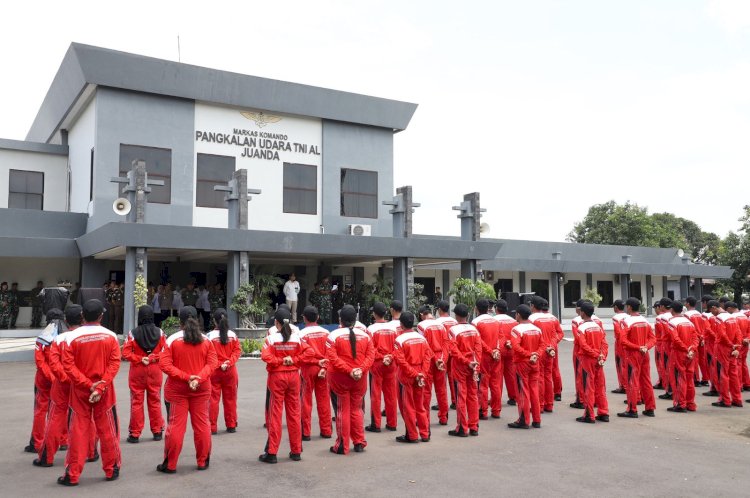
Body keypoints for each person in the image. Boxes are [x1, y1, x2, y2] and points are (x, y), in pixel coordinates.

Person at [58, 299, 121, 486]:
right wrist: (100, 386)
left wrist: (87, 385)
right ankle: (112, 469)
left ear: (82, 316)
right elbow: (115, 363)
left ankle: (72, 474)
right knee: (107, 429)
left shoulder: (71, 337)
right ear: (101, 316)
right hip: (105, 390)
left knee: (78, 430)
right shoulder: (110, 336)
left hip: (80, 391)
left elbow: (68, 367)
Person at [35, 305, 99, 467]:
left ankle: (47, 457)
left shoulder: (59, 339)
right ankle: (91, 452)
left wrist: (65, 379)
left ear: (65, 320)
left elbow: (54, 364)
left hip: (63, 384)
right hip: (84, 383)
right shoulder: (90, 336)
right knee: (86, 417)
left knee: (56, 417)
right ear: (83, 318)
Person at [158, 306, 218, 474]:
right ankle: (202, 461)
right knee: (202, 425)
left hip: (178, 390)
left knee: (176, 426)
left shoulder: (172, 340)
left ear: (180, 321)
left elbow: (164, 364)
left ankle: (170, 464)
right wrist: (198, 378)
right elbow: (212, 364)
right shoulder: (206, 340)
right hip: (201, 388)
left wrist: (186, 377)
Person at [258, 308, 311, 463]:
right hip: (294, 377)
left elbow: (265, 356)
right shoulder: (297, 338)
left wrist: (281, 361)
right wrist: (293, 360)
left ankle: (272, 452)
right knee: (294, 414)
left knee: (275, 414)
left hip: (277, 377)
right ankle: (296, 451)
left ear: (276, 323)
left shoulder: (272, 338)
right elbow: (309, 353)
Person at [327, 305, 375, 455]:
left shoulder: (333, 335)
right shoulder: (366, 336)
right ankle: (359, 442)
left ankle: (342, 445)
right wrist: (359, 369)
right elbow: (370, 356)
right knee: (356, 410)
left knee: (342, 411)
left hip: (340, 378)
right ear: (355, 320)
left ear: (340, 320)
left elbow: (332, 358)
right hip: (359, 379)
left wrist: (349, 370)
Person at [122, 305, 166, 443]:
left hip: (138, 370)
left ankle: (135, 434)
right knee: (155, 400)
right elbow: (165, 352)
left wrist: (140, 359)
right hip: (154, 369)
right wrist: (152, 358)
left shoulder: (132, 333)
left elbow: (125, 353)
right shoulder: (160, 332)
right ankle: (157, 431)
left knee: (136, 402)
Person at [26, 308, 66, 454]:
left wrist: (50, 376)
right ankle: (63, 440)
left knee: (41, 410)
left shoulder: (42, 337)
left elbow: (39, 361)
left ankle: (37, 442)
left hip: (44, 380)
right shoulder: (66, 336)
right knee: (62, 410)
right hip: (63, 379)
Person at [392, 311, 433, 443]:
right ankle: (425, 433)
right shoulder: (422, 338)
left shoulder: (399, 340)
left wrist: (415, 374)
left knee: (408, 406)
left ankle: (412, 435)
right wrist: (422, 374)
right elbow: (428, 357)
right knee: (420, 405)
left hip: (407, 376)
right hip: (420, 373)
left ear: (401, 324)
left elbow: (401, 362)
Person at [446, 303, 482, 437]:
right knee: (473, 396)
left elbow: (454, 351)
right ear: (467, 315)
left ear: (456, 315)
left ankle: (462, 428)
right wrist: (475, 363)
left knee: (461, 396)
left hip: (461, 367)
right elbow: (479, 348)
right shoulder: (474, 329)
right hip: (472, 365)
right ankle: (474, 426)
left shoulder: (453, 331)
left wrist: (467, 362)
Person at [298, 305, 333, 440]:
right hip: (324, 368)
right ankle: (326, 430)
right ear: (318, 317)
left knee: (305, 401)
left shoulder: (301, 334)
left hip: (308, 368)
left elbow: (302, 355)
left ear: (304, 319)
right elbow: (331, 353)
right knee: (324, 399)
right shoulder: (326, 332)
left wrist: (315, 362)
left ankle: (305, 432)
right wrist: (324, 366)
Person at [618, 297, 656, 418]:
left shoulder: (626, 321)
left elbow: (623, 340)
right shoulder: (645, 320)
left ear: (629, 307)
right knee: (646, 380)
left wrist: (637, 347)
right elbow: (653, 338)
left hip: (633, 354)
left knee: (632, 382)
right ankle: (650, 408)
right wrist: (645, 346)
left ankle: (632, 409)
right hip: (644, 353)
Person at [508, 304, 544, 429]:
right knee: (534, 391)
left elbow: (516, 347)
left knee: (523, 391)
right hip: (534, 362)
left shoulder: (516, 330)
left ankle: (524, 420)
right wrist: (535, 355)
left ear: (518, 314)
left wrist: (529, 355)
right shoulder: (536, 329)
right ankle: (537, 419)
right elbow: (542, 345)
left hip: (522, 363)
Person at [365, 302, 399, 433]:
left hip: (377, 364)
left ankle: (376, 424)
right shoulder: (393, 329)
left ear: (374, 314)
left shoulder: (371, 329)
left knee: (376, 394)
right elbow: (397, 347)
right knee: (391, 394)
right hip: (391, 363)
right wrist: (389, 357)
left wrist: (381, 357)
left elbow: (370, 349)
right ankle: (392, 423)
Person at [574, 301, 609, 423]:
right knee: (600, 386)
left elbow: (583, 345)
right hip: (598, 359)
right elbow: (604, 344)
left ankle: (589, 415)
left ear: (582, 313)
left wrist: (595, 355)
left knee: (588, 387)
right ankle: (604, 412)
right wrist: (602, 356)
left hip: (587, 359)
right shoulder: (598, 326)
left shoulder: (581, 328)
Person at [208, 308, 241, 434]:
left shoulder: (210, 336)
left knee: (213, 399)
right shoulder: (233, 335)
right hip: (230, 371)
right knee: (231, 399)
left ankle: (212, 427)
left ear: (214, 321)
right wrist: (228, 362)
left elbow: (208, 355)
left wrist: (219, 364)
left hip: (214, 372)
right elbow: (237, 351)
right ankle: (231, 424)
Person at [416, 305, 450, 425]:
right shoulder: (441, 325)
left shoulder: (421, 326)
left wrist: (435, 359)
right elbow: (446, 344)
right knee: (441, 390)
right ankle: (443, 417)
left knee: (426, 390)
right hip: (441, 359)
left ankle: (425, 419)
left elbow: (424, 346)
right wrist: (442, 359)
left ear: (421, 315)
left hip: (428, 360)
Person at [528, 296, 561, 413]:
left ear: (532, 306)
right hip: (549, 351)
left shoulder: (531, 318)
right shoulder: (550, 318)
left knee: (540, 378)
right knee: (548, 377)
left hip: (539, 351)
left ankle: (540, 405)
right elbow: (555, 334)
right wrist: (551, 347)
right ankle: (549, 404)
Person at [708, 300, 743, 408]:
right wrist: (736, 346)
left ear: (714, 308)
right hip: (732, 347)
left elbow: (722, 335)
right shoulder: (731, 317)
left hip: (723, 348)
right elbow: (738, 333)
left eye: (711, 311)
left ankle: (725, 400)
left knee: (723, 374)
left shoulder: (719, 318)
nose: (711, 313)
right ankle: (737, 399)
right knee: (733, 374)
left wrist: (730, 345)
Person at [472, 298, 503, 419]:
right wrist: (496, 350)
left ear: (476, 309)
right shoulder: (495, 321)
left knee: (483, 384)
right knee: (495, 384)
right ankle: (496, 411)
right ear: (488, 308)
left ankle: (483, 411)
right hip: (496, 355)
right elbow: (501, 337)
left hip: (484, 356)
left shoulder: (475, 322)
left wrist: (490, 351)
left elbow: (478, 341)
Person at [667, 301, 699, 412]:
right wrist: (692, 349)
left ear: (672, 310)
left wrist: (686, 349)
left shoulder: (672, 322)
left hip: (679, 353)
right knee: (689, 379)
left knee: (678, 378)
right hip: (690, 353)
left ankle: (680, 404)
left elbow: (675, 339)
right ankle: (691, 403)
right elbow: (696, 338)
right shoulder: (689, 322)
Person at [494, 299, 518, 406]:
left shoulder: (493, 320)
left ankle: (497, 397)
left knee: (497, 375)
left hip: (499, 349)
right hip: (511, 348)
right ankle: (513, 397)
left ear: (496, 309)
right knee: (511, 374)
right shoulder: (513, 321)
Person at [434, 300, 458, 409]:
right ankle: (455, 400)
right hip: (453, 351)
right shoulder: (454, 321)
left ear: (439, 309)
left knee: (441, 379)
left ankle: (442, 403)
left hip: (443, 352)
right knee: (453, 377)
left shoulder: (437, 322)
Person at [684, 296, 709, 386]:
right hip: (701, 338)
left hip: (693, 339)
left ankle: (696, 379)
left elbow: (690, 328)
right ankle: (705, 378)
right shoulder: (700, 314)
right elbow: (705, 327)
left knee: (693, 359)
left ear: (688, 303)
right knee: (702, 359)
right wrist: (702, 337)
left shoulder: (687, 315)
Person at [610, 300, 628, 394]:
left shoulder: (615, 317)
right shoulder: (628, 316)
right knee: (626, 363)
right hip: (627, 341)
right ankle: (627, 385)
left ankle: (623, 386)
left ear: (616, 307)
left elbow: (617, 331)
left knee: (620, 364)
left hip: (620, 342)